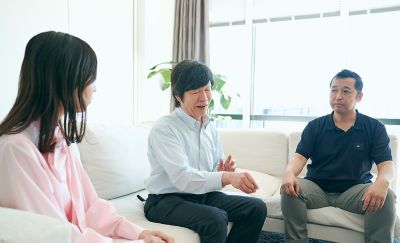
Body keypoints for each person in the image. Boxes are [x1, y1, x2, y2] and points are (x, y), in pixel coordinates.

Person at [0, 31, 174, 243]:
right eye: (91, 78)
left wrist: (138, 232)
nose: (95, 88)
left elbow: (89, 206)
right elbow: (51, 235)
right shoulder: (16, 149)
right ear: (66, 79)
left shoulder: (60, 139)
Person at [143, 59, 267, 243]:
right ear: (178, 97)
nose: (204, 98)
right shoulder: (165, 128)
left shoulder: (209, 127)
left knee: (256, 208)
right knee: (215, 219)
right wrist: (226, 177)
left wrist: (221, 171)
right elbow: (183, 178)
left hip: (201, 195)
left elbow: (209, 176)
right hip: (165, 200)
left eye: (207, 89)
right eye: (195, 92)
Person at [281, 69, 396, 243]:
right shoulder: (315, 126)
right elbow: (299, 157)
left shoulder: (374, 127)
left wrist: (383, 182)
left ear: (359, 96)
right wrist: (289, 174)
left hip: (355, 192)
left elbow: (387, 165)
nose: (338, 96)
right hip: (317, 189)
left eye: (346, 91)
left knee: (386, 195)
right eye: (334, 90)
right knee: (290, 189)